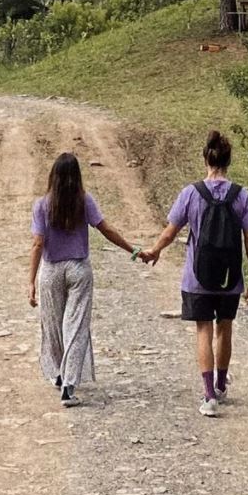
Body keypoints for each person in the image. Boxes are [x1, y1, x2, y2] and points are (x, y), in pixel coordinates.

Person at [144, 130, 248, 417]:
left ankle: (208, 395)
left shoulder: (191, 193)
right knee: (225, 327)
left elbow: (171, 231)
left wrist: (155, 250)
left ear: (206, 159)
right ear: (228, 161)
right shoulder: (241, 195)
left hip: (197, 277)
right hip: (230, 277)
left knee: (203, 331)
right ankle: (221, 384)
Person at [29, 152, 147, 407]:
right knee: (76, 325)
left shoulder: (41, 205)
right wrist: (133, 250)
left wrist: (30, 281)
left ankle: (59, 374)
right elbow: (106, 229)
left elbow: (38, 243)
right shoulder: (84, 201)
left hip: (51, 270)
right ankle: (70, 384)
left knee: (53, 326)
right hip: (79, 269)